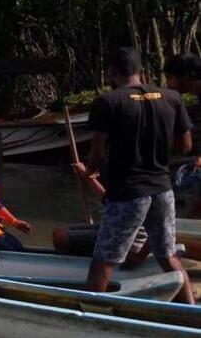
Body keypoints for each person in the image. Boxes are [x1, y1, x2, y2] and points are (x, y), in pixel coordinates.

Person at [77, 46, 195, 303]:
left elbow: (97, 155)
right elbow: (185, 146)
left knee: (103, 262)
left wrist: (90, 172)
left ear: (112, 72)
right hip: (162, 190)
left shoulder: (107, 102)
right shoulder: (171, 97)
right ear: (141, 70)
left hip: (128, 193)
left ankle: (89, 314)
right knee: (167, 256)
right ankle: (191, 313)